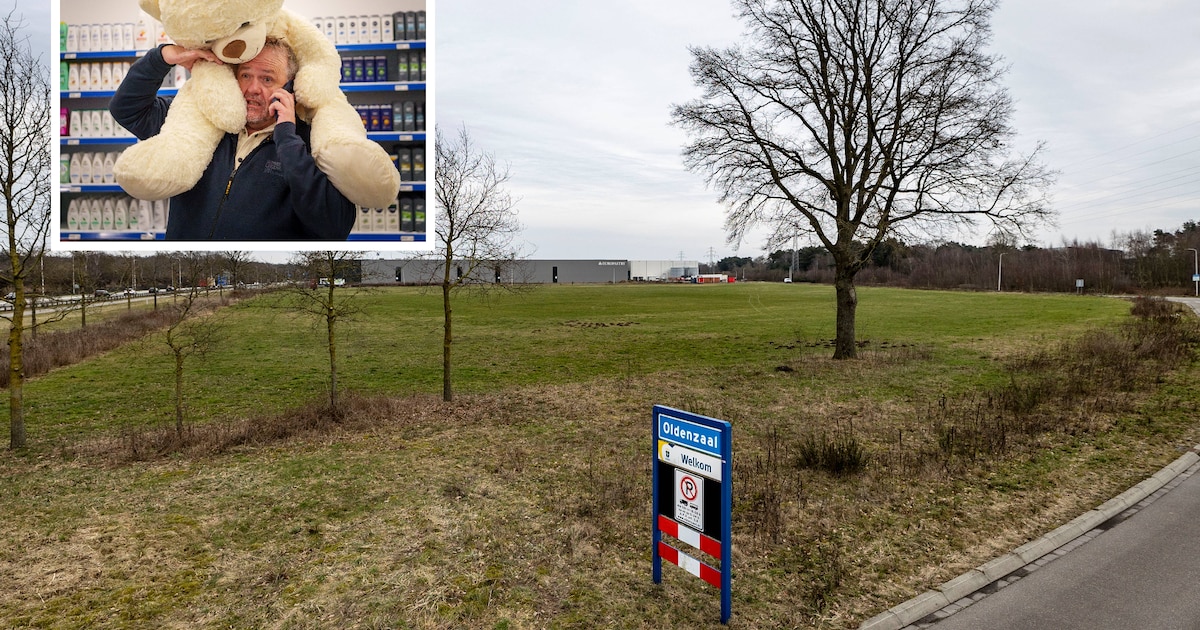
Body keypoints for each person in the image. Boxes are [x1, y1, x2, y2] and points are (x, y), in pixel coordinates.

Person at [109, 39, 357, 240]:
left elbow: (334, 227)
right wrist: (162, 57)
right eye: (245, 75)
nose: (252, 88)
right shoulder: (200, 120)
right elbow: (127, 109)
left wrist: (288, 140)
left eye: (267, 79)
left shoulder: (313, 141)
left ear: (290, 88)